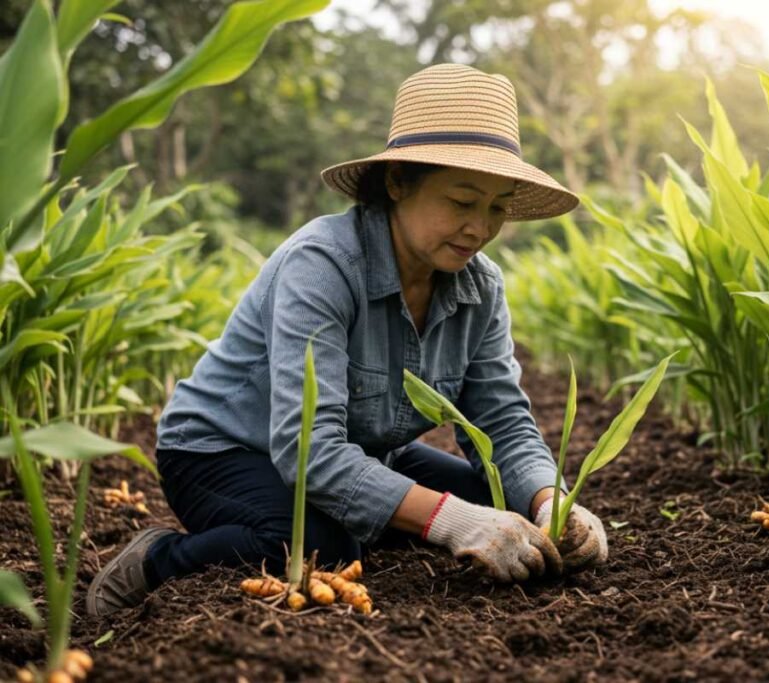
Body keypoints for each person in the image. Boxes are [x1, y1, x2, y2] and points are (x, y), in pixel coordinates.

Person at [87, 63, 609, 616]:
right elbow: (307, 447)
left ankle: (376, 514)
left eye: (497, 207)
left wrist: (553, 502)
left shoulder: (481, 287)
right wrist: (452, 523)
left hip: (360, 450)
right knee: (321, 545)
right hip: (224, 448)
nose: (480, 229)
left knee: (502, 507)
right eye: (461, 201)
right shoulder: (324, 265)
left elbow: (502, 420)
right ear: (397, 182)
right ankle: (158, 560)